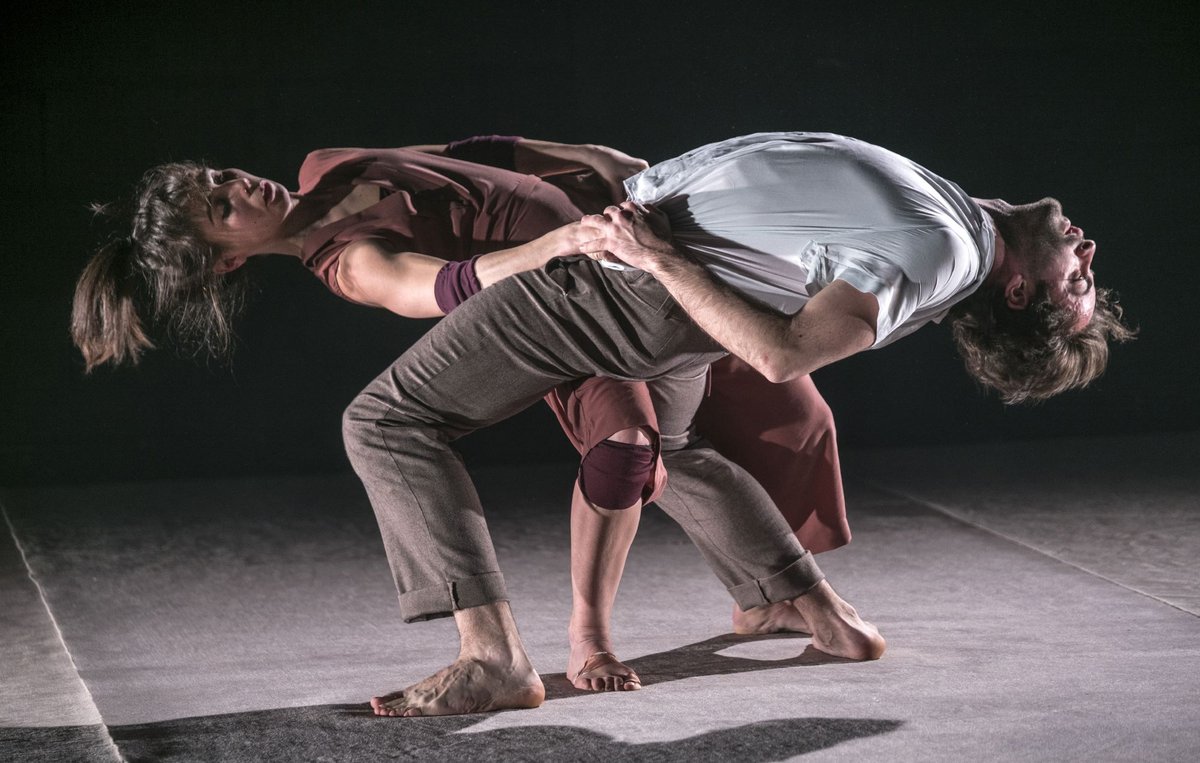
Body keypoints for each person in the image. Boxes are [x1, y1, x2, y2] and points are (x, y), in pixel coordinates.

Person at [337, 131, 1131, 717]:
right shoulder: (963, 220)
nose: (1087, 250)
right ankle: (810, 607)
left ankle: (492, 655)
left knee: (386, 420)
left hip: (625, 287)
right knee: (675, 450)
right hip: (669, 288)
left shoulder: (941, 252)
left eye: (1080, 281)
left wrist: (658, 257)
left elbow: (783, 355)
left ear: (1021, 293)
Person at [72, 135, 854, 693]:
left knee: (725, 430)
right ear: (229, 259)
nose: (242, 187)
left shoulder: (329, 162)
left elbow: (481, 151)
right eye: (223, 207)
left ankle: (789, 597)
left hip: (621, 254)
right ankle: (570, 638)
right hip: (568, 302)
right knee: (626, 449)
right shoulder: (347, 261)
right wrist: (552, 248)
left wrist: (582, 157)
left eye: (224, 175)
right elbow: (440, 287)